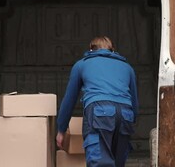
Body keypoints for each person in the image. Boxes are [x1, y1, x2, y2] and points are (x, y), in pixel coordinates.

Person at [56, 36, 138, 167]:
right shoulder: (127, 67)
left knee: (100, 162)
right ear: (113, 50)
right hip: (125, 114)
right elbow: (134, 101)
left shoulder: (82, 64)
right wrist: (131, 122)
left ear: (91, 49)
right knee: (118, 163)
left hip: (99, 111)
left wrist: (61, 130)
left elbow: (69, 100)